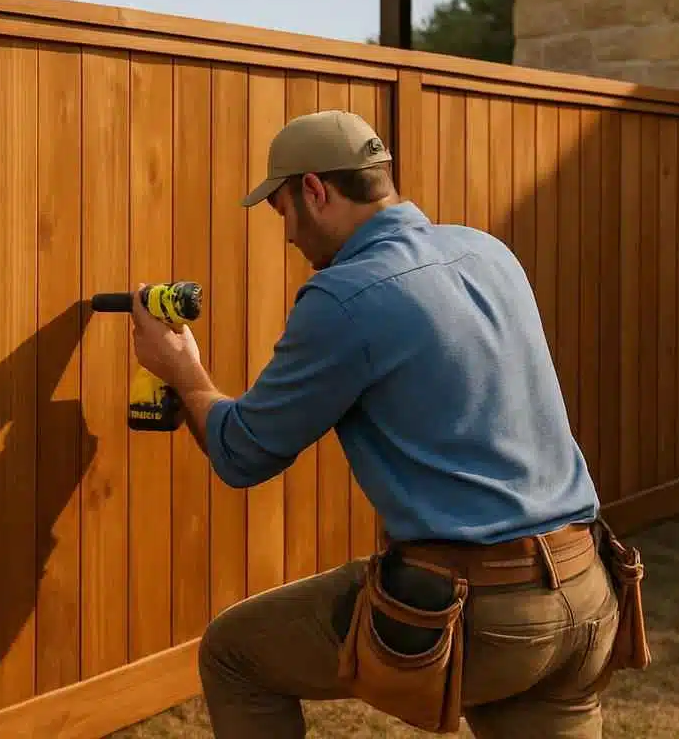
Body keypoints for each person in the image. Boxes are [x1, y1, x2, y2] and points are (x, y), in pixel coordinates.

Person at [128, 108, 645, 738]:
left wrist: (183, 375)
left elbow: (243, 453)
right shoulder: (488, 252)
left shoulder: (347, 296)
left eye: (282, 210)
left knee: (235, 652)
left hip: (481, 612)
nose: (288, 234)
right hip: (589, 590)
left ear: (314, 191)